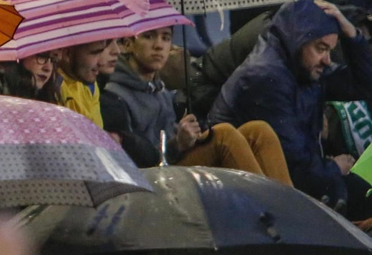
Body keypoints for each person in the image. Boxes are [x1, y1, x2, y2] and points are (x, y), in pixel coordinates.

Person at [209, 0, 372, 208]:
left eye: (330, 50)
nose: (327, 59)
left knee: (368, 197)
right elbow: (293, 163)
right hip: (247, 193)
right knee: (353, 198)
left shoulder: (305, 69)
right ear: (298, 40)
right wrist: (334, 167)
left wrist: (352, 35)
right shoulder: (265, 77)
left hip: (296, 178)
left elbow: (370, 86)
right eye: (321, 48)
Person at [104, 25, 292, 179]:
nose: (159, 46)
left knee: (258, 131)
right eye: (148, 36)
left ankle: (293, 212)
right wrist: (178, 144)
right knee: (223, 135)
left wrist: (190, 132)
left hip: (176, 164)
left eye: (166, 38)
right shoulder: (115, 96)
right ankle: (271, 212)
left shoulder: (160, 89)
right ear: (127, 44)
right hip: (154, 178)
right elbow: (140, 159)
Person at [55, 41, 109, 127]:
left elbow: (96, 133)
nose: (101, 63)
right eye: (95, 53)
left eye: (101, 53)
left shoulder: (90, 86)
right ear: (67, 54)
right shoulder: (52, 89)